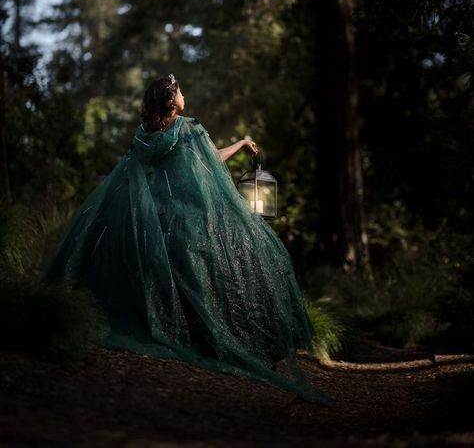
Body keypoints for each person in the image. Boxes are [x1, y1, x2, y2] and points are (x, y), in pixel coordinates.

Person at [43, 74, 330, 405]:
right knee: (248, 247)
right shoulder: (188, 128)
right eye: (179, 91)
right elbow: (213, 161)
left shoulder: (144, 135)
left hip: (153, 213)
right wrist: (242, 143)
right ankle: (249, 341)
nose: (184, 95)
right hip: (186, 211)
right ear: (170, 100)